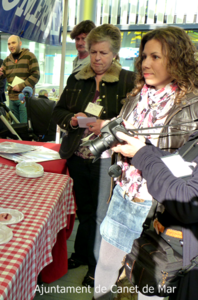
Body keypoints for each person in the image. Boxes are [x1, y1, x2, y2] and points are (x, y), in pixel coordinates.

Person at [94, 26, 198, 300]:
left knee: (147, 281)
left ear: (177, 59)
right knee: (105, 263)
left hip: (158, 207)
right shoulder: (137, 95)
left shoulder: (192, 105)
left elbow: (186, 168)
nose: (146, 64)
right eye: (144, 56)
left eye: (156, 57)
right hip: (124, 193)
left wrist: (143, 151)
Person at [52, 24, 135, 287]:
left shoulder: (129, 80)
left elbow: (135, 122)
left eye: (103, 53)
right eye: (94, 52)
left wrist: (106, 124)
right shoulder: (77, 78)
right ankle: (83, 253)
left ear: (115, 54)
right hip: (78, 154)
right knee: (85, 209)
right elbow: (58, 112)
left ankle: (98, 265)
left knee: (103, 213)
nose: (97, 58)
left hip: (107, 158)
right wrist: (72, 121)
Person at [110, 131, 198, 300]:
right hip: (168, 248)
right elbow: (179, 165)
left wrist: (143, 155)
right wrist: (147, 149)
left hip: (189, 261)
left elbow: (189, 202)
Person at [0, 35, 40, 123]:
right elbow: (1, 76)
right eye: (8, 44)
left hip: (25, 99)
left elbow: (36, 75)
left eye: (13, 43)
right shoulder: (7, 60)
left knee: (24, 127)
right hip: (11, 98)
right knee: (15, 128)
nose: (11, 46)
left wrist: (22, 86)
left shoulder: (30, 56)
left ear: (20, 43)